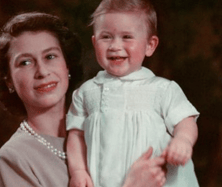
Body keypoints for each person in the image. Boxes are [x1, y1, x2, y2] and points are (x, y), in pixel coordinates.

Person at [0, 12, 167, 187]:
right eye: (25, 62)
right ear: (8, 80)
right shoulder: (13, 158)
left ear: (67, 65)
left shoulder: (102, 126)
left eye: (50, 56)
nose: (42, 71)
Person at [66, 0, 200, 186]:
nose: (115, 45)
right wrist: (78, 170)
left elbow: (186, 120)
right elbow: (76, 135)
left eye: (127, 37)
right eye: (106, 37)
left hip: (156, 179)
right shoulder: (86, 92)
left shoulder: (162, 89)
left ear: (149, 45)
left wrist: (183, 140)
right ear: (94, 42)